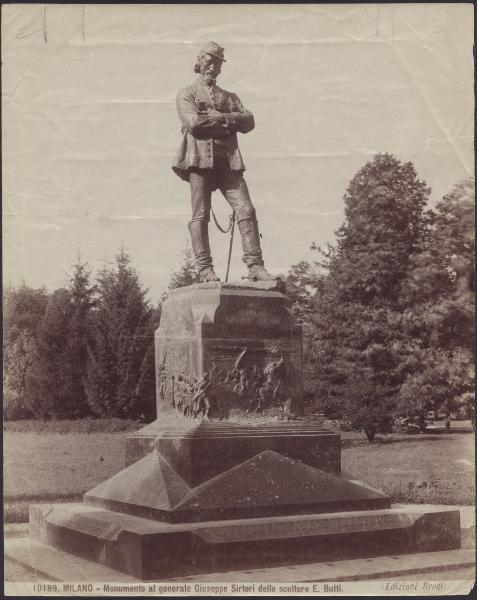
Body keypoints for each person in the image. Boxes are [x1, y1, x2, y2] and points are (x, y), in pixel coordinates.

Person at [172, 41, 276, 282]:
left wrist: (224, 116)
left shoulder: (229, 98)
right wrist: (230, 125)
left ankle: (255, 266)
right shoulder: (186, 93)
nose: (213, 67)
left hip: (228, 162)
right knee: (200, 215)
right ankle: (205, 269)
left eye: (217, 63)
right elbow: (194, 124)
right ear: (198, 63)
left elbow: (249, 121)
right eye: (208, 61)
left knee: (246, 209)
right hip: (199, 161)